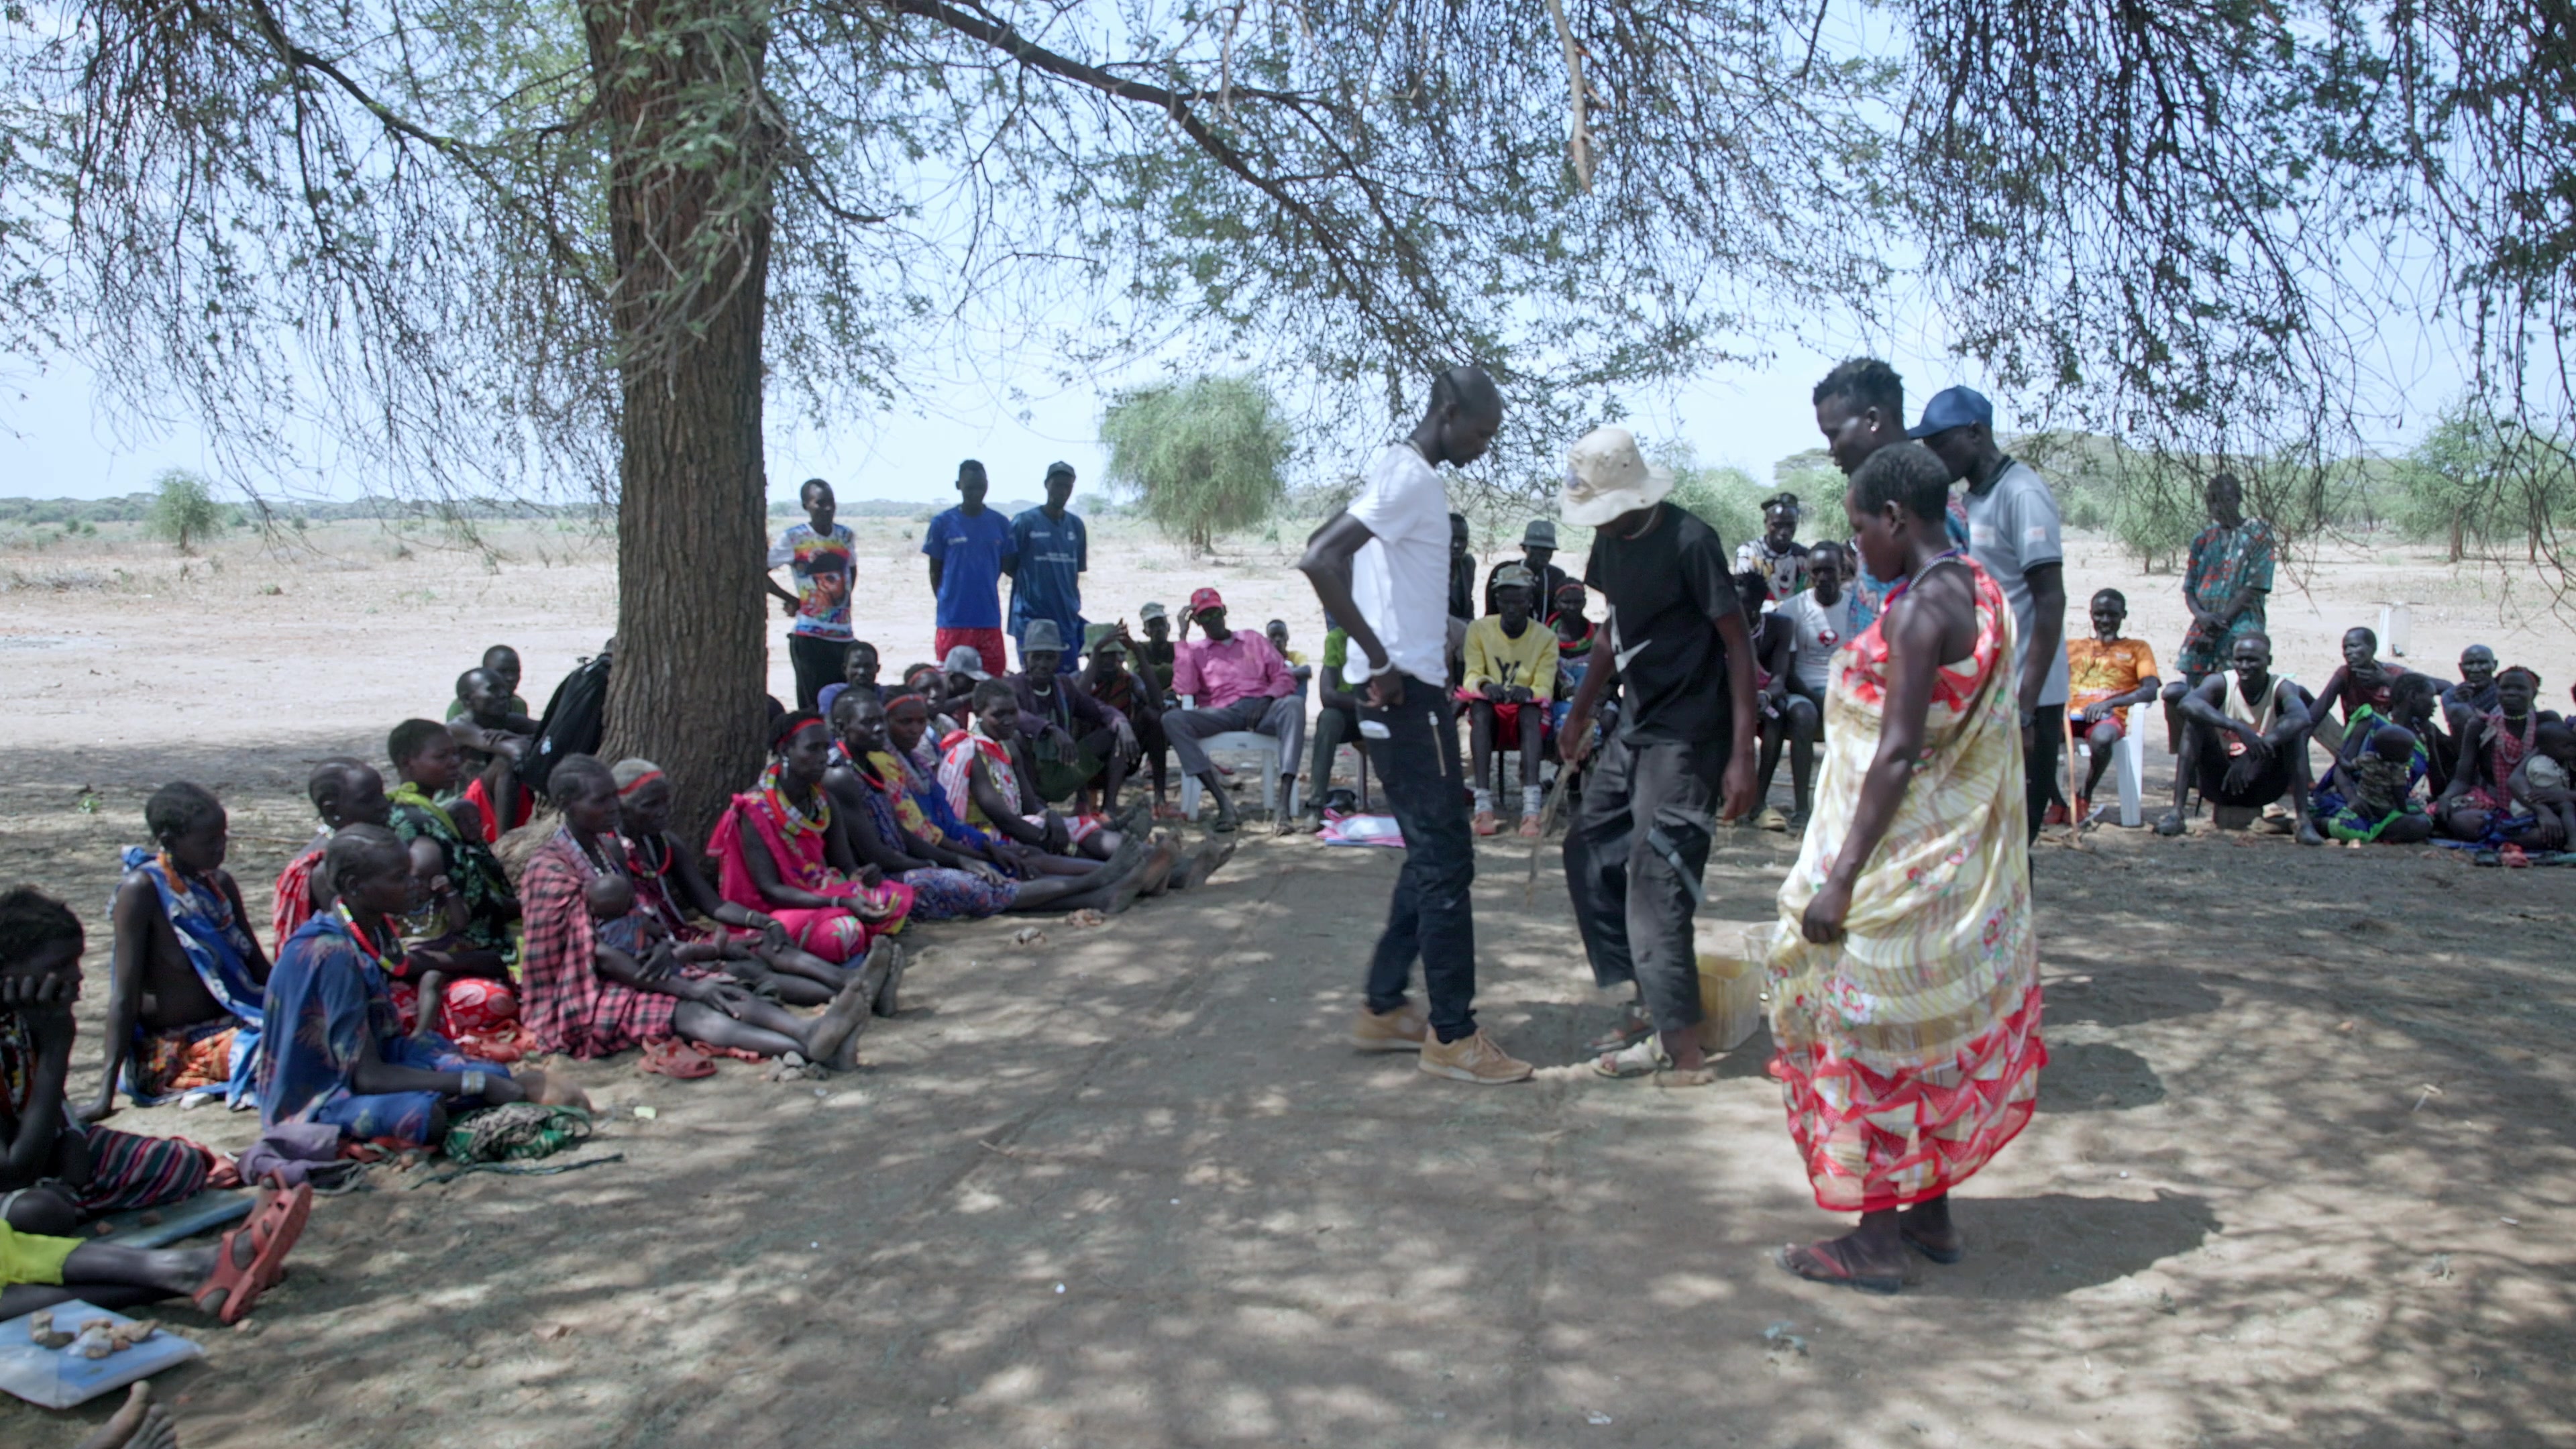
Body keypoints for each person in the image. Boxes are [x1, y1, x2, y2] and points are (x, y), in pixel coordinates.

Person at [1768, 441, 2044, 1295]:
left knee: (1865, 1034)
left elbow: (1895, 755)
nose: (1854, 547)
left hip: (1897, 867)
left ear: (1895, 518)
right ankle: (1930, 1211)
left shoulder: (1922, 611)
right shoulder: (1983, 589)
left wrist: (1841, 876)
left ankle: (1877, 1241)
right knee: (1923, 1036)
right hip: (1949, 869)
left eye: (1858, 528)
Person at [1298, 364, 1531, 1083]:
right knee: (1447, 863)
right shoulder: (1412, 479)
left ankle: (1382, 1005)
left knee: (1434, 853)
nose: (1486, 447)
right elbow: (1319, 557)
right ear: (1449, 411)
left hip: (1404, 692)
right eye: (1483, 432)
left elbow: (1337, 551)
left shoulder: (1399, 474)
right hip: (1408, 699)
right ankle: (1453, 1035)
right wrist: (1379, 657)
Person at [1556, 425, 1758, 1085]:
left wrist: (1742, 753)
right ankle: (1648, 997)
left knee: (1655, 878)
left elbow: (1737, 646)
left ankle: (1684, 1048)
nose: (1604, 526)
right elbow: (1614, 634)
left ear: (1635, 497)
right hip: (1636, 728)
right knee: (1589, 844)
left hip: (1689, 737)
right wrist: (1583, 712)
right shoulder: (1611, 543)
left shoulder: (1691, 541)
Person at [517, 754, 889, 1066]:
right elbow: (592, 952)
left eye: (614, 797)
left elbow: (637, 917)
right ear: (567, 804)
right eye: (601, 801)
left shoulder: (604, 850)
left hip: (639, 964)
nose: (612, 807)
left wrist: (661, 946)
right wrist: (679, 980)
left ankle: (809, 1031)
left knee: (721, 987)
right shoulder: (550, 868)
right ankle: (808, 1046)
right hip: (581, 993)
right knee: (690, 1009)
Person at [258, 826, 548, 1147]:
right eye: (400, 878)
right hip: (323, 1093)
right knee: (426, 1113)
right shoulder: (333, 954)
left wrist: (476, 1080)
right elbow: (366, 1077)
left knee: (495, 1075)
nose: (413, 885)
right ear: (356, 886)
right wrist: (473, 1083)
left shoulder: (372, 927)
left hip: (376, 1060)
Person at [7, 887, 229, 1227]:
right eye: (61, 965)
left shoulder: (28, 1015)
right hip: (13, 1175)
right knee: (37, 1213)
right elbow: (14, 1172)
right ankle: (63, 1203)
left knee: (181, 1164)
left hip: (44, 1155)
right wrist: (56, 1049)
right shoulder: (39, 1024)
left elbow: (55, 1112)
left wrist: (74, 1137)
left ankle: (67, 1199)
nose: (78, 976)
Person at [825, 693, 1163, 916]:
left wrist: (974, 853)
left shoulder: (881, 766)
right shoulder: (846, 774)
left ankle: (1110, 886)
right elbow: (883, 851)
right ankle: (1105, 879)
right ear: (840, 728)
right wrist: (962, 859)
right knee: (985, 880)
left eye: (879, 721)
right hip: (894, 871)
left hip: (923, 852)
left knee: (1012, 862)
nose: (878, 729)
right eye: (870, 723)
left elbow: (914, 832)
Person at [1913, 386, 2068, 848]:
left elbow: (2050, 600)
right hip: (1989, 691)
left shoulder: (2021, 493)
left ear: (1976, 433)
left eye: (1941, 443)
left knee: (2014, 837)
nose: (1934, 456)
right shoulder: (1973, 501)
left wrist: (2025, 708)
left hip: (2026, 697)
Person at [611, 759, 863, 1008]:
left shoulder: (665, 843)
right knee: (747, 969)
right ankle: (852, 995)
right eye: (650, 805)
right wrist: (701, 950)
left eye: (665, 801)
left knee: (765, 943)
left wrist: (764, 922)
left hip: (685, 938)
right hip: (657, 951)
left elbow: (713, 906)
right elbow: (633, 924)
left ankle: (852, 982)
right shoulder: (613, 852)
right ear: (620, 807)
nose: (663, 811)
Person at [94, 783, 269, 1116]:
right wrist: (105, 1094)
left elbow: (259, 969)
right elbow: (124, 995)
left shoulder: (219, 886)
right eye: (209, 841)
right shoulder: (142, 892)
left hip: (233, 1026)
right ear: (169, 840)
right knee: (290, 1050)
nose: (221, 848)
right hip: (172, 1053)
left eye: (224, 837)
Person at [708, 713, 916, 964]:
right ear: (785, 750)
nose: (823, 758)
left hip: (821, 891)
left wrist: (861, 875)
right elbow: (771, 890)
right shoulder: (754, 809)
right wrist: (840, 901)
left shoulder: (822, 799)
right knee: (844, 933)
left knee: (891, 899)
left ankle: (858, 942)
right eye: (813, 748)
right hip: (778, 908)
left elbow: (845, 865)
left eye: (825, 748)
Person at [382, 718, 523, 1040]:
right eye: (441, 757)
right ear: (408, 762)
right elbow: (466, 895)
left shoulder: (427, 811)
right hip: (446, 939)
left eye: (455, 755)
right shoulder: (415, 821)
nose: (454, 763)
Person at [2157, 633, 2326, 843]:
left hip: (2264, 783)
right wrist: (2237, 727)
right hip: (2220, 782)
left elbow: (2302, 717)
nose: (2245, 666)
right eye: (2239, 659)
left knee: (2294, 733)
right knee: (2195, 722)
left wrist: (2252, 754)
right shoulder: (2221, 683)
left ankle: (2303, 821)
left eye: (2253, 660)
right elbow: (2187, 704)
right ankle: (2177, 813)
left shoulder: (2281, 688)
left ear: (2269, 661)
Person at [1165, 587, 1305, 834]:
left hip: (1263, 709)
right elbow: (1185, 688)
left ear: (1225, 611)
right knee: (1172, 720)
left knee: (1294, 704)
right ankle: (1223, 803)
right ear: (1197, 621)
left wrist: (1266, 699)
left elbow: (1285, 678)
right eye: (1204, 617)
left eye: (1215, 613)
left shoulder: (1252, 639)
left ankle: (1282, 807)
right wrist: (1183, 638)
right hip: (1221, 714)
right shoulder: (1195, 651)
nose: (1212, 621)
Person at [940, 680, 1125, 860]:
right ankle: (1126, 863)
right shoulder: (973, 753)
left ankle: (1143, 856)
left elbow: (1029, 805)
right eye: (998, 715)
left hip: (1020, 827)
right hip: (983, 837)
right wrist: (1061, 841)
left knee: (1073, 827)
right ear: (978, 713)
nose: (1008, 721)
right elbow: (1004, 820)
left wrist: (1049, 814)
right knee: (1067, 836)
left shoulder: (1009, 746)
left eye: (1013, 713)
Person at [2163, 472, 2276, 753]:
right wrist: (2202, 616)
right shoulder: (2203, 539)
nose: (2219, 505)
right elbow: (2189, 587)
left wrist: (2223, 620)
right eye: (2213, 500)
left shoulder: (2258, 534)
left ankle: (2238, 753)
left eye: (2226, 498)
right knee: (2188, 692)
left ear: (2238, 499)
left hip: (2241, 624)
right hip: (2204, 623)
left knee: (2238, 687)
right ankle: (2190, 761)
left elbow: (2255, 586)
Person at [1460, 563, 1558, 838]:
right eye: (1505, 601)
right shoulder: (1479, 630)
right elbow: (1472, 676)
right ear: (1497, 601)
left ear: (1530, 601)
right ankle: (1483, 807)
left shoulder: (1545, 637)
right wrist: (1485, 685)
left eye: (1519, 601)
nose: (1512, 608)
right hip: (1491, 711)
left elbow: (1545, 686)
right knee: (1479, 708)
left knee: (1530, 713)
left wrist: (1528, 692)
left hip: (1526, 715)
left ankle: (1531, 811)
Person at [1762, 542, 1855, 830]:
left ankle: (1845, 807)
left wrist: (1840, 695)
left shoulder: (1857, 608)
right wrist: (1817, 699)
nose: (1824, 578)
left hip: (1846, 691)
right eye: (1817, 572)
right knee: (1804, 716)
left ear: (1843, 572)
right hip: (1803, 692)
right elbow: (1786, 671)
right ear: (1809, 574)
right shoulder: (1794, 608)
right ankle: (1802, 807)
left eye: (1830, 571)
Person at [1010, 619, 1135, 812]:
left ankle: (1109, 809)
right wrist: (1050, 729)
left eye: (1049, 658)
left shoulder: (1064, 687)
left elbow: (1099, 710)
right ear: (1026, 659)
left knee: (1114, 732)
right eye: (1037, 657)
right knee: (1015, 739)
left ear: (1058, 660)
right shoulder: (1013, 686)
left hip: (1061, 769)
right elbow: (1015, 715)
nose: (1042, 664)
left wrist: (1123, 724)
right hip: (1027, 777)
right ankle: (1031, 804)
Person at [270, 759, 391, 956]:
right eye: (369, 800)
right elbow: (359, 950)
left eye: (382, 794)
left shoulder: (351, 851)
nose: (384, 805)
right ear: (331, 810)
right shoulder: (329, 869)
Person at [2061, 589, 2162, 825]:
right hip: (2070, 715)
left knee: (2103, 738)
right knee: (2034, 736)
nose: (2105, 621)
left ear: (2123, 615)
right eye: (2099, 615)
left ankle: (2085, 794)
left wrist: (2109, 703)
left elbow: (2150, 690)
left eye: (2112, 615)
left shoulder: (2138, 648)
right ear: (2091, 615)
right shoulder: (2072, 646)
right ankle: (2057, 801)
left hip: (2107, 715)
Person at [764, 478, 859, 712]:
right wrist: (792, 599)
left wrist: (841, 600)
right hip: (810, 637)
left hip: (844, 636)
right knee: (813, 708)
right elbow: (761, 571)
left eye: (831, 502)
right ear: (806, 505)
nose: (828, 508)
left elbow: (852, 569)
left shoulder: (845, 536)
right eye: (820, 503)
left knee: (843, 707)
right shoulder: (794, 538)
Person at [2310, 674, 2440, 845]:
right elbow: (2342, 769)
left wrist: (2432, 743)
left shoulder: (2424, 735)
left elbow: (2437, 786)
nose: (2435, 704)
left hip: (2391, 808)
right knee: (2347, 819)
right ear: (2413, 697)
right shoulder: (2370, 722)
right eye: (2431, 697)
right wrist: (2352, 799)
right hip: (2356, 800)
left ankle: (2362, 830)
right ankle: (2322, 824)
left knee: (2421, 823)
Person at [2436, 665, 2554, 846]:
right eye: (2505, 688)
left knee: (2553, 825)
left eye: (2520, 689)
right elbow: (2462, 779)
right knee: (2463, 820)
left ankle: (2503, 835)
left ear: (2534, 694)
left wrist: (2544, 809)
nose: (2511, 693)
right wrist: (2445, 798)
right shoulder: (2481, 726)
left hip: (2537, 803)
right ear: (2497, 692)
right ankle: (2515, 835)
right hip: (2493, 802)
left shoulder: (2547, 722)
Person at [923, 459, 1017, 676]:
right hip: (953, 620)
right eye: (970, 487)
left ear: (987, 486)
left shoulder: (1000, 523)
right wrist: (948, 600)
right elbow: (934, 569)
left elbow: (1006, 565)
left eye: (981, 487)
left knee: (992, 681)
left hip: (989, 618)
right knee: (953, 681)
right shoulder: (942, 523)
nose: (976, 492)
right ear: (958, 486)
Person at [1077, 625, 1173, 818]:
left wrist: (1138, 653)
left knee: (1153, 718)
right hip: (1086, 762)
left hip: (1124, 759)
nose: (1108, 661)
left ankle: (1160, 797)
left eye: (1112, 655)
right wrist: (1097, 652)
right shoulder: (1076, 680)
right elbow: (1079, 702)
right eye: (1101, 656)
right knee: (1111, 731)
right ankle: (1099, 805)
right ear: (1090, 657)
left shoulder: (1128, 679)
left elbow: (1157, 703)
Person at [1737, 570, 1803, 833]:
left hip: (1763, 698)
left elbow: (1779, 677)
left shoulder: (1779, 627)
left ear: (1756, 605)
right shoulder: (1719, 626)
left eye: (1741, 603)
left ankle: (1759, 802)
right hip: (1728, 699)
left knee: (1777, 713)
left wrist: (1764, 697)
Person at [1006, 462, 1087, 670]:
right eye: (1058, 485)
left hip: (1065, 620)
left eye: (1067, 486)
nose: (1062, 491)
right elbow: (1008, 564)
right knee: (1035, 681)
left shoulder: (1076, 526)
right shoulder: (1025, 522)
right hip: (1030, 620)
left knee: (1068, 684)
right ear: (1046, 485)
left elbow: (1075, 573)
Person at [446, 666, 537, 843]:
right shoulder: (459, 728)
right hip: (468, 808)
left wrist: (517, 737)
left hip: (504, 801)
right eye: (493, 690)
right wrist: (526, 740)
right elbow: (515, 751)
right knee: (505, 762)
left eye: (503, 689)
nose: (504, 695)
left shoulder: (510, 721)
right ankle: (504, 841)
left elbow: (556, 737)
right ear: (467, 699)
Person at [2309, 626, 2412, 759]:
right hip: (2352, 745)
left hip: (2390, 748)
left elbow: (2431, 689)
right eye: (2345, 648)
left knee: (2368, 720)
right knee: (2302, 704)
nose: (2348, 652)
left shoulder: (2393, 674)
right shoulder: (2345, 675)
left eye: (2354, 646)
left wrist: (2388, 681)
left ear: (2373, 648)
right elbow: (2316, 714)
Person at [1303, 616, 1362, 825]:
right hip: (1351, 711)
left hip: (1380, 711)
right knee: (1328, 719)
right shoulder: (1338, 639)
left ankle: (1405, 804)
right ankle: (1316, 804)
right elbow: (1327, 695)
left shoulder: (1385, 637)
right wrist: (1363, 702)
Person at [1481, 519, 1573, 619]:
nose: (1542, 554)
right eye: (1536, 548)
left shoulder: (1556, 576)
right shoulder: (1504, 571)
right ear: (1524, 549)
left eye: (1547, 550)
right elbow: (1491, 611)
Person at [1735, 493, 1811, 603]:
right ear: (1766, 523)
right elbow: (1745, 596)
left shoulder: (1803, 556)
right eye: (1777, 525)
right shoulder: (1749, 553)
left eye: (1790, 525)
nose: (1784, 532)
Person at [2510, 722, 2576, 847]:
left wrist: (2566, 795)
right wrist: (2543, 811)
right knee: (2544, 835)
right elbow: (2515, 780)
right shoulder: (2546, 759)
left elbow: (2556, 795)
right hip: (2537, 808)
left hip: (2563, 806)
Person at [1548, 579, 1598, 735]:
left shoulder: (1599, 634)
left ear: (1585, 602)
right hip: (1555, 700)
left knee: (1606, 720)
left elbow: (1611, 677)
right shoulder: (1543, 637)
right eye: (1566, 602)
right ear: (1556, 603)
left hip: (1593, 701)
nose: (1572, 607)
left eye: (1578, 602)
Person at [445, 644, 529, 720]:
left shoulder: (518, 705)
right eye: (502, 672)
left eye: (516, 671)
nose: (511, 678)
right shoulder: (463, 706)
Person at [815, 640, 883, 723]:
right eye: (856, 666)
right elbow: (829, 729)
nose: (862, 672)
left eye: (868, 666)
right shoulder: (832, 694)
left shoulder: (887, 694)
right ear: (845, 669)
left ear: (878, 668)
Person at [1133, 602, 1179, 702]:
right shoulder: (1136, 649)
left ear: (1169, 627)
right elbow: (1137, 672)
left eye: (1161, 624)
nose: (1158, 629)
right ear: (1145, 631)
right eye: (1152, 626)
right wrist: (1177, 669)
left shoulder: (1177, 648)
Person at [1265, 619, 1313, 696]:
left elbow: (1307, 670)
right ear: (1267, 640)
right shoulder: (1263, 659)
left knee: (1302, 676)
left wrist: (1277, 674)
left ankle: (1297, 704)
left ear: (1287, 637)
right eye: (1273, 636)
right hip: (1270, 698)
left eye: (1281, 635)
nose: (1278, 639)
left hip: (1292, 697)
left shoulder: (1296, 656)